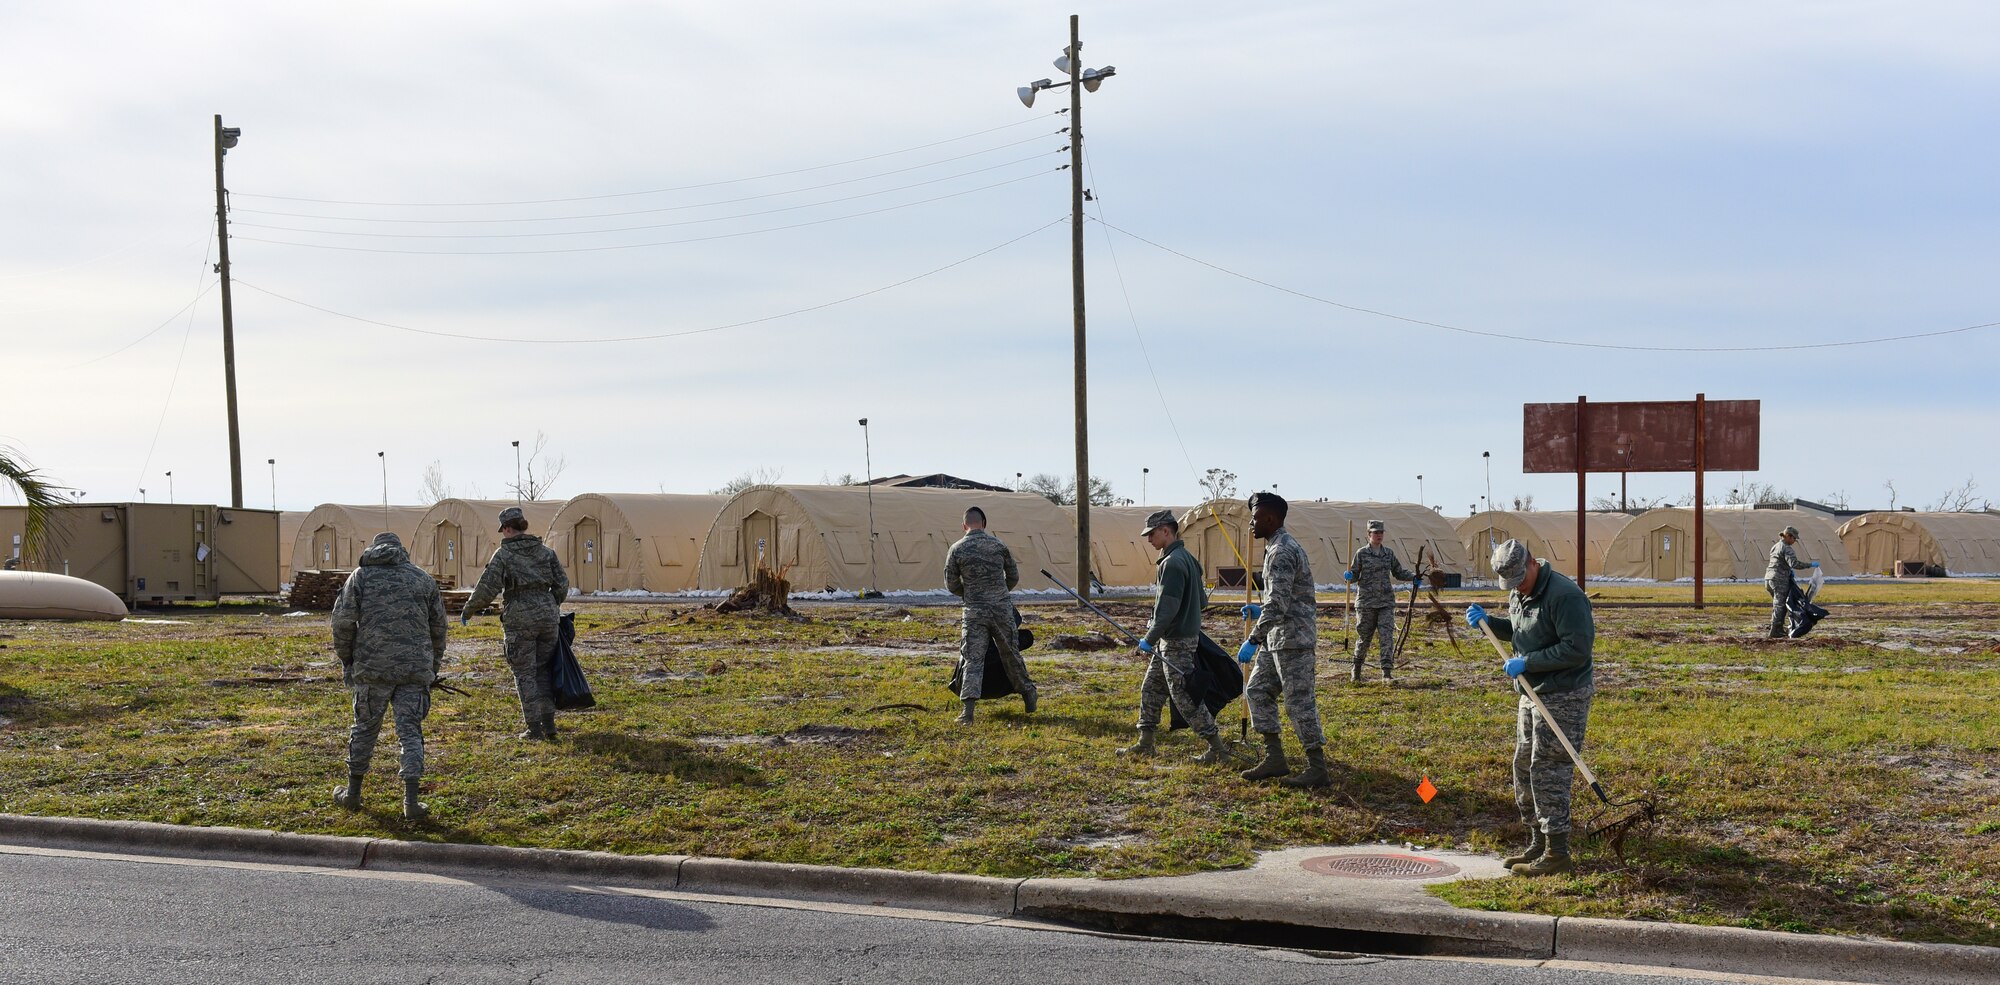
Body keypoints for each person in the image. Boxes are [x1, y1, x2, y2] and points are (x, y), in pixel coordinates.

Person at [1466, 538, 1595, 877]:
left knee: (1548, 769)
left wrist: (1528, 662)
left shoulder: (1565, 596)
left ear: (1533, 563)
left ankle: (1558, 852)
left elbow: (1576, 648)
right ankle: (1538, 839)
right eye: (1510, 584)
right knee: (1524, 765)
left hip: (1563, 694)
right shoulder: (1519, 591)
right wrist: (1490, 624)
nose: (1516, 587)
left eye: (1519, 580)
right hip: (1530, 691)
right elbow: (1521, 630)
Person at [329, 531, 447, 820]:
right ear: (401, 550)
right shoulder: (422, 578)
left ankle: (353, 794)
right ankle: (411, 802)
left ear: (373, 549)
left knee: (364, 729)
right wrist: (433, 665)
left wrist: (348, 660)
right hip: (414, 669)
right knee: (410, 732)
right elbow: (439, 628)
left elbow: (342, 622)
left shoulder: (360, 577)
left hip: (373, 668)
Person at [1118, 510, 1232, 764]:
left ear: (1166, 530)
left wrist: (1149, 638)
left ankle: (1217, 749)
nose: (1149, 540)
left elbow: (1166, 611)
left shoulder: (1171, 564)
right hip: (1175, 639)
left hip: (1176, 641)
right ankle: (1145, 742)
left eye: (1152, 534)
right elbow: (1202, 601)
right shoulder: (1189, 559)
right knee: (1152, 688)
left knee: (1185, 697)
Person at [1236, 492, 1329, 787]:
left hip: (1293, 641)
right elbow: (1279, 600)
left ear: (1271, 519)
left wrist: (1253, 638)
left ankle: (1317, 768)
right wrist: (1259, 610)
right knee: (1258, 691)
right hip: (1277, 638)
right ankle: (1275, 758)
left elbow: (1278, 603)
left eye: (1255, 517)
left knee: (1299, 703)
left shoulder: (1282, 551)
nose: (1251, 523)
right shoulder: (1275, 548)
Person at [461, 506, 570, 741]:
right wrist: (550, 605)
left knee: (525, 673)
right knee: (543, 670)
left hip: (520, 620)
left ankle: (534, 728)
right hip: (548, 618)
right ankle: (549, 725)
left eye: (503, 531)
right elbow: (562, 584)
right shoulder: (546, 553)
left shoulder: (504, 555)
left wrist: (469, 609)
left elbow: (487, 587)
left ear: (508, 528)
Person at [943, 506, 1036, 724]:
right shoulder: (998, 545)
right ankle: (1028, 693)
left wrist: (969, 594)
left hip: (974, 611)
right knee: (1010, 653)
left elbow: (951, 583)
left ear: (964, 525)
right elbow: (1013, 575)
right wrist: (999, 592)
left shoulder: (956, 549)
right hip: (1001, 609)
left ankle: (967, 712)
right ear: (984, 524)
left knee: (972, 658)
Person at [1344, 519, 1417, 681]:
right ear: (1368, 534)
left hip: (1385, 602)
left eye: (1381, 532)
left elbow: (1398, 572)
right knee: (1364, 638)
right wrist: (1349, 576)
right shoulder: (1361, 553)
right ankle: (1356, 669)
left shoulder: (1388, 554)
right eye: (1375, 532)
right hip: (1366, 603)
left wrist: (1413, 577)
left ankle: (1386, 672)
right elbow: (1354, 575)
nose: (1379, 535)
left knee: (1386, 637)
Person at [1764, 525, 1818, 638]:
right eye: (1794, 538)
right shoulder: (1787, 548)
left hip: (1769, 579)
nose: (1794, 541)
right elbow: (1794, 564)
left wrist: (1789, 571)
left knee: (1779, 604)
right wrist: (1809, 565)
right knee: (1780, 605)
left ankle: (1778, 628)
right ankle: (1775, 630)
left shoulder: (1775, 546)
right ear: (1788, 536)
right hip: (1779, 579)